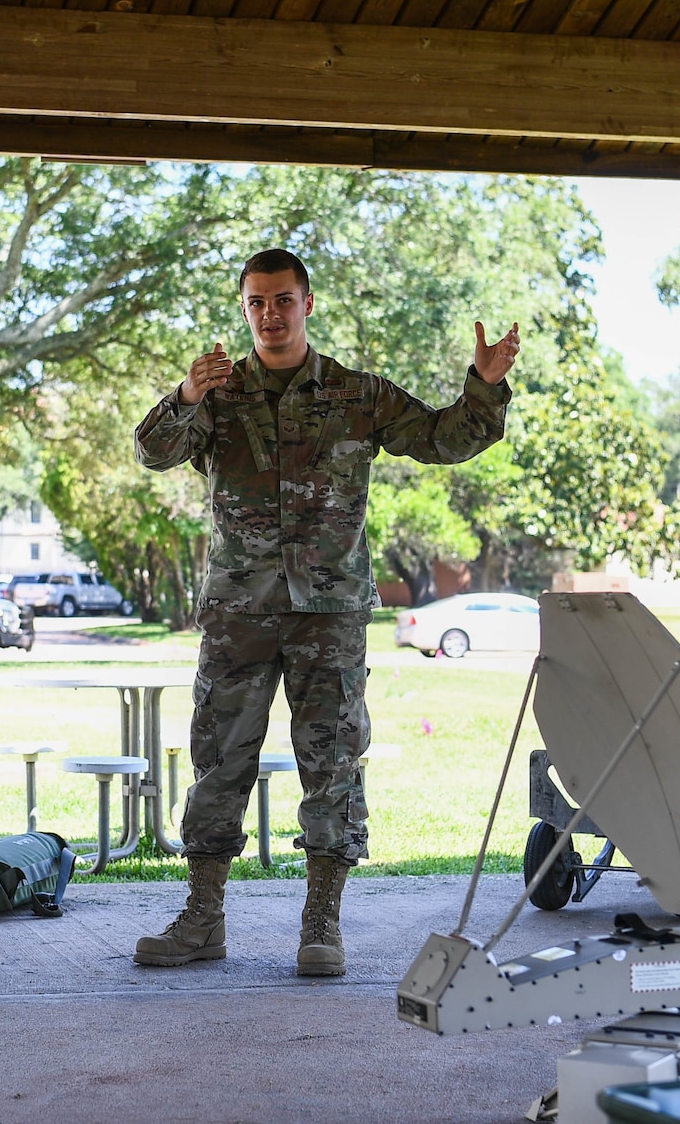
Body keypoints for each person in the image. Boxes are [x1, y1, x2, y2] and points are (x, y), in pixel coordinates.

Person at [133, 249, 519, 976]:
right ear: (244, 309)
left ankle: (321, 923)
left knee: (333, 765)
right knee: (219, 763)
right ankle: (203, 916)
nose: (270, 314)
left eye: (283, 299)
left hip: (328, 612)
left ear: (308, 303)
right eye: (256, 302)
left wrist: (486, 386)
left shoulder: (356, 393)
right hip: (239, 611)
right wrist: (185, 391)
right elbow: (153, 450)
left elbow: (442, 438)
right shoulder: (218, 392)